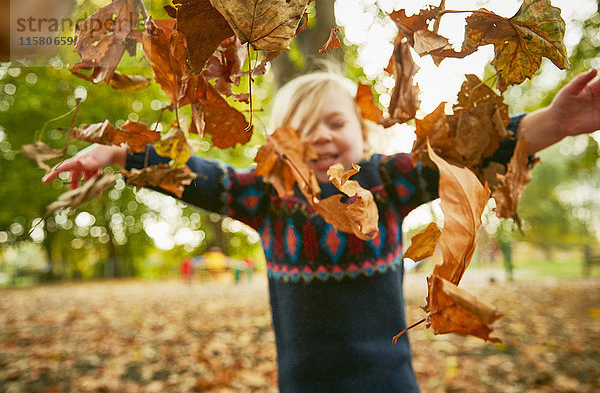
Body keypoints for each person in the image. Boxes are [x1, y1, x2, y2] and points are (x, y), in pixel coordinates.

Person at [41, 69, 600, 392]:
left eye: (336, 124)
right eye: (304, 131)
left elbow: (467, 154)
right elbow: (200, 176)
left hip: (388, 382)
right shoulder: (268, 198)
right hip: (306, 383)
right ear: (281, 145)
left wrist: (553, 121)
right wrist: (119, 151)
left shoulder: (386, 184)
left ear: (360, 133)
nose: (323, 137)